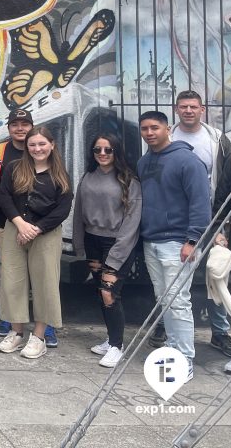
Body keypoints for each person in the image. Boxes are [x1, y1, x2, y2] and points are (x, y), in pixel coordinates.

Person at [137, 110, 210, 381]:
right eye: (145, 128)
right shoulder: (144, 162)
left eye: (155, 127)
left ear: (168, 128)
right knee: (165, 300)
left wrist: (193, 240)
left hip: (179, 243)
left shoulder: (189, 161)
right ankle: (173, 348)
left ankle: (185, 358)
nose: (149, 133)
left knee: (178, 302)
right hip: (152, 241)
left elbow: (201, 203)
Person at [167, 90, 231, 357]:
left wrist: (222, 224)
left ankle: (220, 333)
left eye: (193, 107)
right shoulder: (167, 136)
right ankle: (165, 327)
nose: (188, 111)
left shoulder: (217, 139)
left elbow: (228, 181)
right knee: (172, 275)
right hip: (175, 217)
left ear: (202, 109)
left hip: (211, 216)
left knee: (217, 274)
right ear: (177, 109)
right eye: (183, 106)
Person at [0, 125, 72, 359]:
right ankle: (16, 332)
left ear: (51, 145)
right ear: (26, 147)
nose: (37, 148)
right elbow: (4, 197)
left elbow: (63, 209)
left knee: (45, 284)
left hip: (46, 233)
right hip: (15, 229)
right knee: (11, 281)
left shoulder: (60, 174)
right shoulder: (14, 168)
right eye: (32, 145)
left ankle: (38, 337)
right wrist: (21, 224)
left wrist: (36, 229)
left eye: (41, 144)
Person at [0, 110, 60, 347]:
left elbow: (62, 197)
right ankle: (10, 323)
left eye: (25, 124)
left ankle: (44, 329)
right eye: (15, 124)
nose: (20, 128)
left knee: (43, 278)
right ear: (8, 128)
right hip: (8, 226)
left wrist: (34, 226)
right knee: (11, 277)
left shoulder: (50, 157)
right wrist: (14, 217)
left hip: (41, 230)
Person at [72, 133, 142, 368]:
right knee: (100, 291)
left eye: (108, 150)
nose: (102, 154)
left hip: (117, 243)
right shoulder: (88, 176)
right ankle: (111, 340)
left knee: (109, 292)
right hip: (93, 241)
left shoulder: (128, 179)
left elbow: (132, 221)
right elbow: (79, 212)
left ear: (116, 152)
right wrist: (79, 244)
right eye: (97, 150)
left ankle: (117, 346)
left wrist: (118, 252)